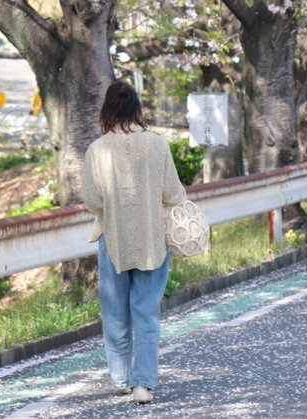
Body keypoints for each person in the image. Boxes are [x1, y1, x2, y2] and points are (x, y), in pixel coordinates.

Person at [82, 81, 186, 404]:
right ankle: (143, 384)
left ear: (106, 111)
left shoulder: (97, 150)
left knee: (114, 310)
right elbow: (173, 194)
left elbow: (92, 200)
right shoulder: (158, 145)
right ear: (138, 109)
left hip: (112, 239)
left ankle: (121, 377)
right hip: (153, 239)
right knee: (146, 311)